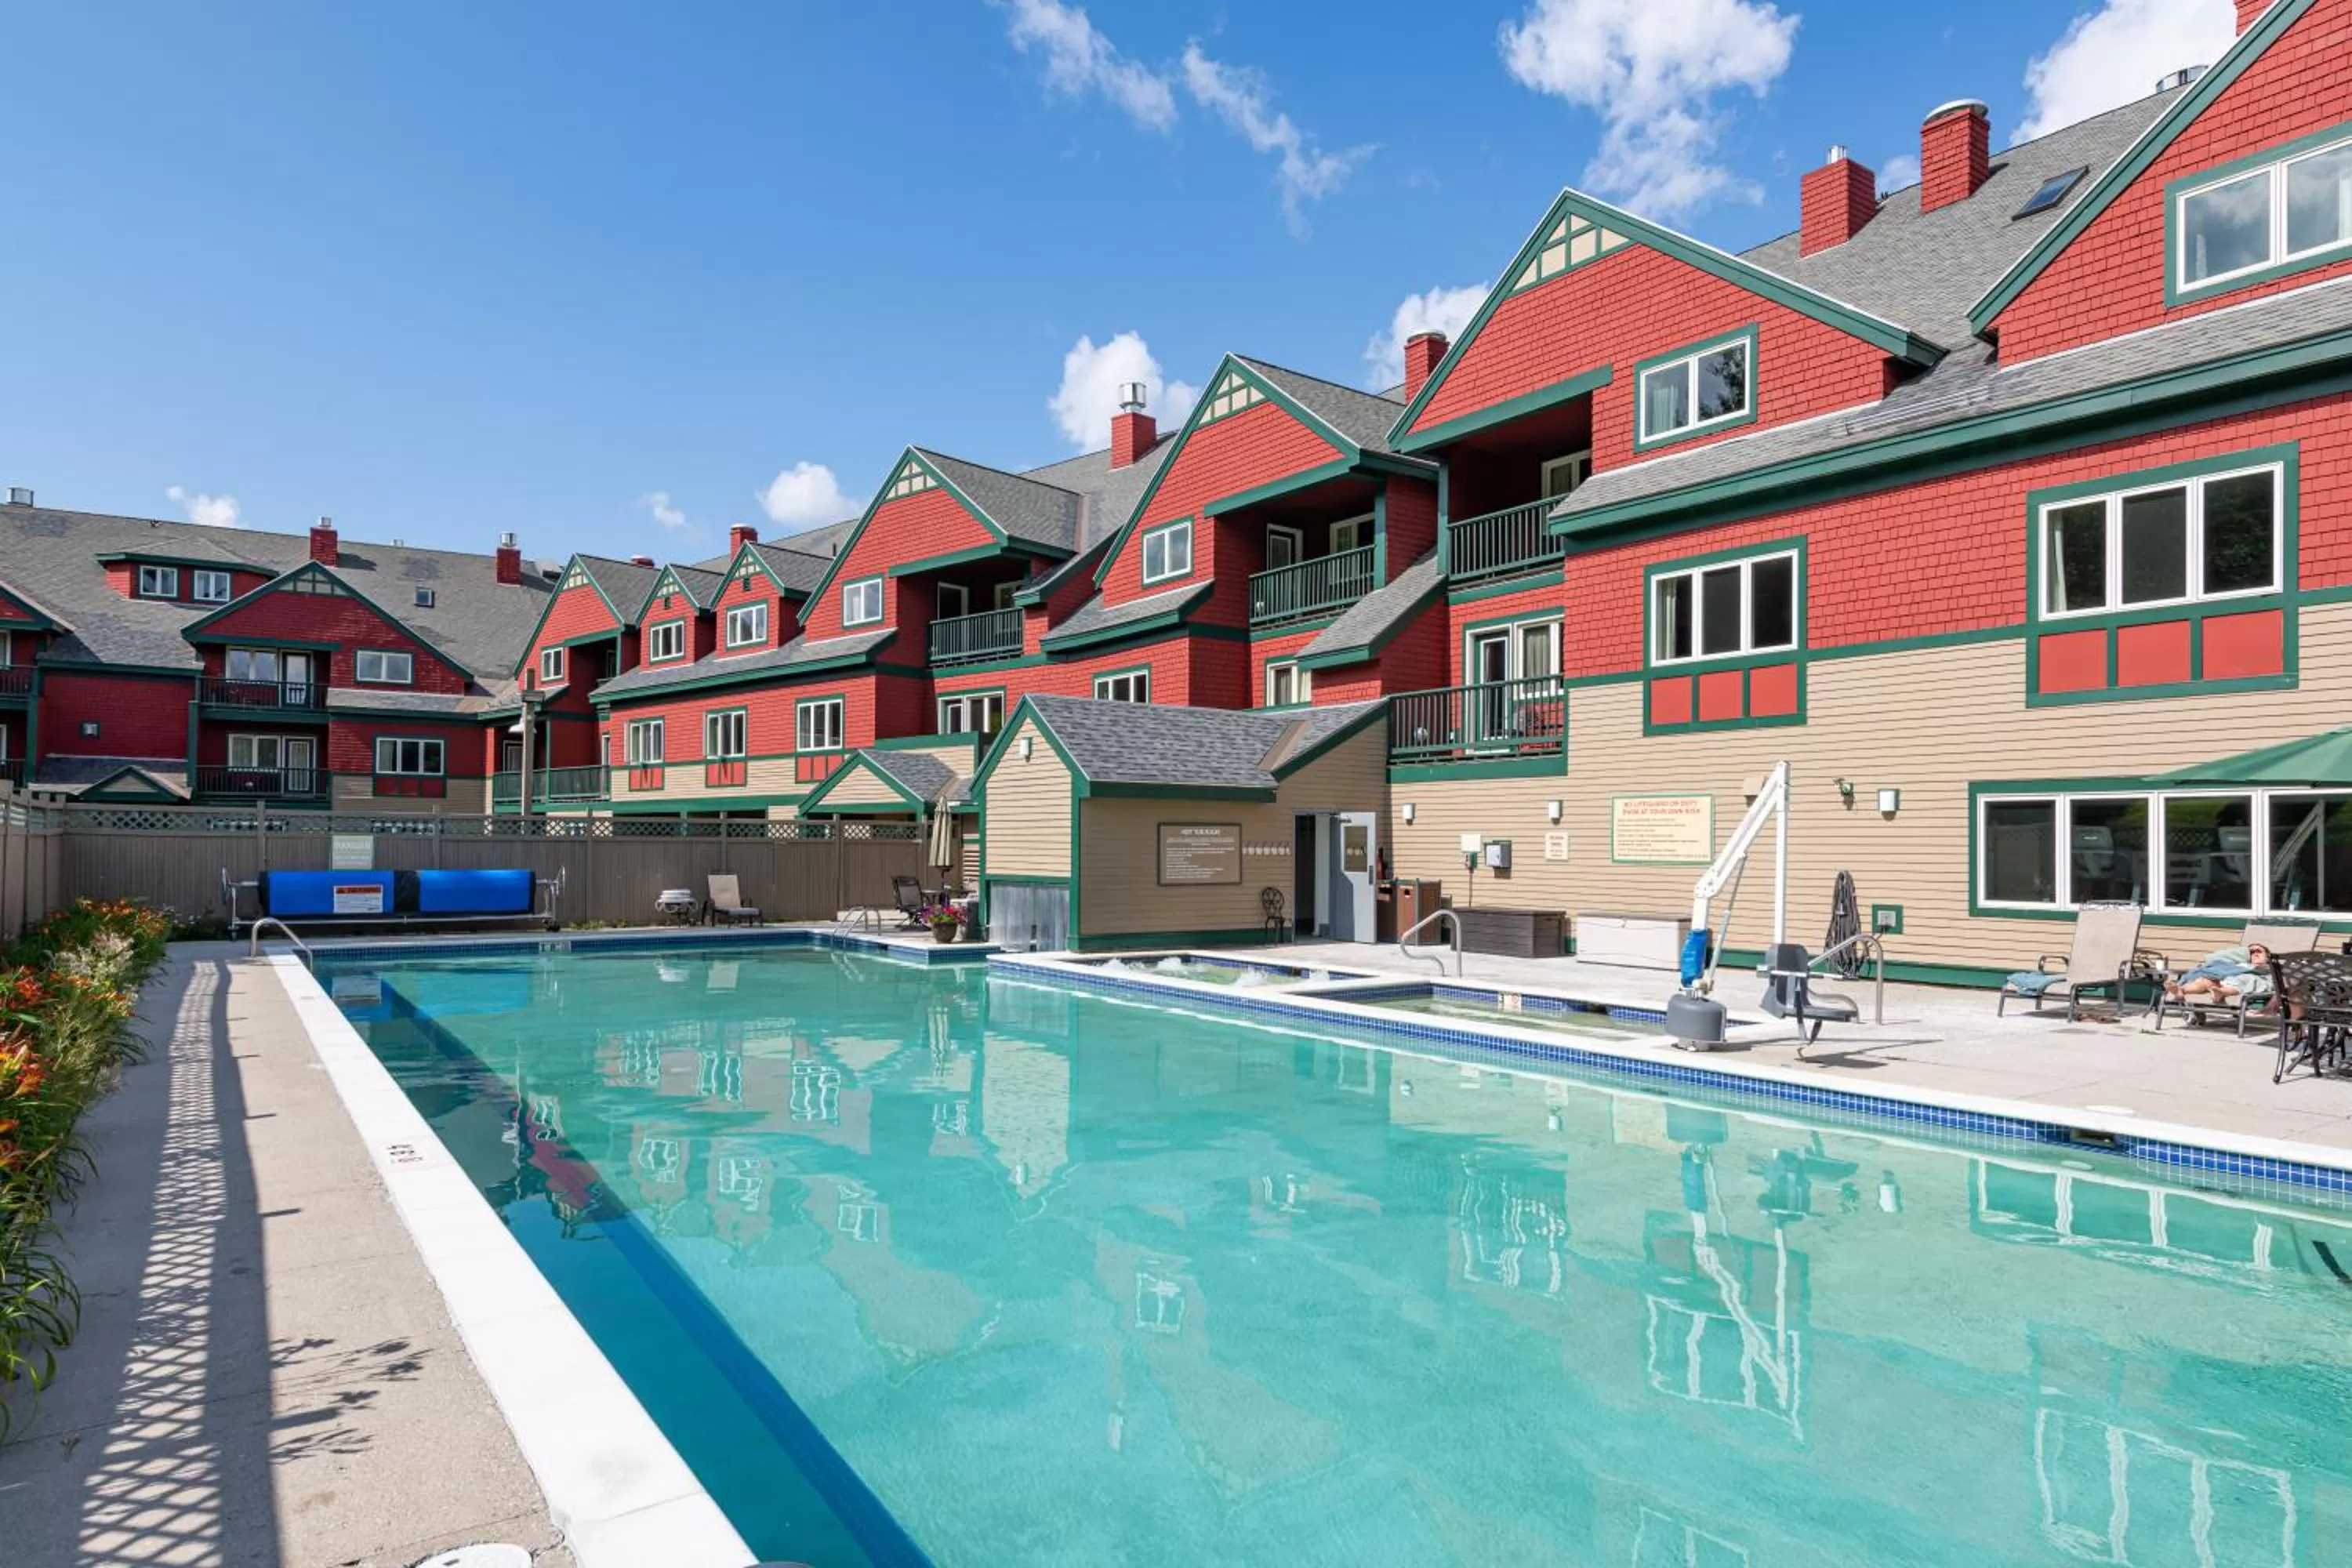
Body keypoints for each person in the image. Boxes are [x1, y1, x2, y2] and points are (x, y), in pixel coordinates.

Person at [2165, 942, 2274, 1007]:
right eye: (2253, 952)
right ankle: (2181, 991)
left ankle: (2221, 993)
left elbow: (2270, 980)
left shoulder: (2269, 968)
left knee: (2244, 979)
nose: (2256, 953)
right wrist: (2246, 951)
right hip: (2221, 981)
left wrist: (2262, 963)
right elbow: (2214, 958)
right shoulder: (2239, 964)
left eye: (2260, 952)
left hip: (2242, 981)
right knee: (2204, 980)